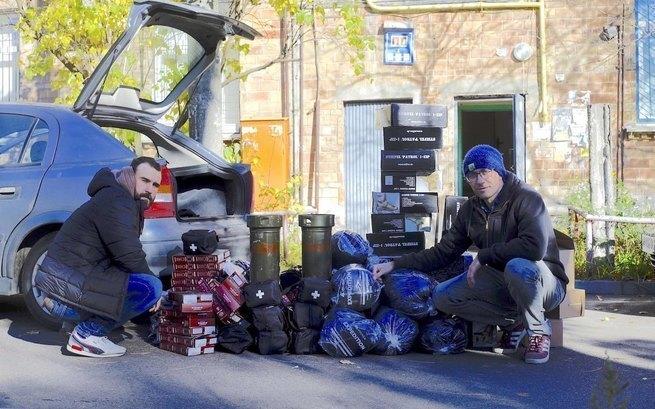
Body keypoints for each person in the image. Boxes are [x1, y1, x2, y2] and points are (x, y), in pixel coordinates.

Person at [372, 144, 567, 364]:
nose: (479, 180)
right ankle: (515, 322)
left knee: (517, 266)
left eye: (485, 172)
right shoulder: (470, 210)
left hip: (544, 283)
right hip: (502, 282)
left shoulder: (526, 198)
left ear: (499, 171)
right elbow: (443, 252)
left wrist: (484, 256)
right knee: (442, 297)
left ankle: (539, 332)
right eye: (472, 175)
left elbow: (534, 247)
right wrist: (394, 264)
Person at [35, 157, 164, 358]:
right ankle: (87, 334)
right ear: (130, 176)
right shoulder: (118, 200)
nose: (150, 189)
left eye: (155, 185)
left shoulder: (118, 196)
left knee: (131, 280)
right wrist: (156, 288)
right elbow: (128, 254)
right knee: (150, 287)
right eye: (145, 180)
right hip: (63, 295)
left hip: (63, 290)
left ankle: (74, 323)